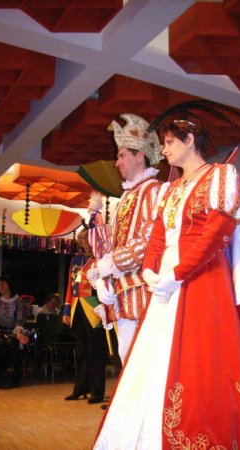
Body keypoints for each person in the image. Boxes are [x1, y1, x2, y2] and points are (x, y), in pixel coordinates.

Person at [94, 117, 240, 449]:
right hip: (164, 282)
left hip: (203, 276)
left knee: (202, 355)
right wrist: (150, 270)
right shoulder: (171, 189)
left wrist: (178, 273)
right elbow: (157, 235)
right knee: (154, 358)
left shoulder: (221, 176)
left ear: (190, 140)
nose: (163, 150)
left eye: (169, 142)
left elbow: (216, 232)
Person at [92, 113, 163, 365]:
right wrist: (102, 277)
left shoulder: (153, 190)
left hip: (142, 292)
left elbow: (148, 241)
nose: (117, 162)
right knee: (128, 362)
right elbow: (113, 243)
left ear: (139, 155)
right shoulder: (126, 197)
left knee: (144, 365)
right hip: (122, 293)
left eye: (122, 155)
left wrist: (111, 264)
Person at [63, 229, 107, 404]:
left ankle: (97, 392)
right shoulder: (75, 260)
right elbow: (70, 285)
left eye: (87, 239)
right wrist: (66, 310)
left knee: (96, 351)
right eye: (81, 239)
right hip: (77, 307)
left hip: (94, 307)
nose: (84, 242)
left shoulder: (101, 259)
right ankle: (81, 388)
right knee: (81, 351)